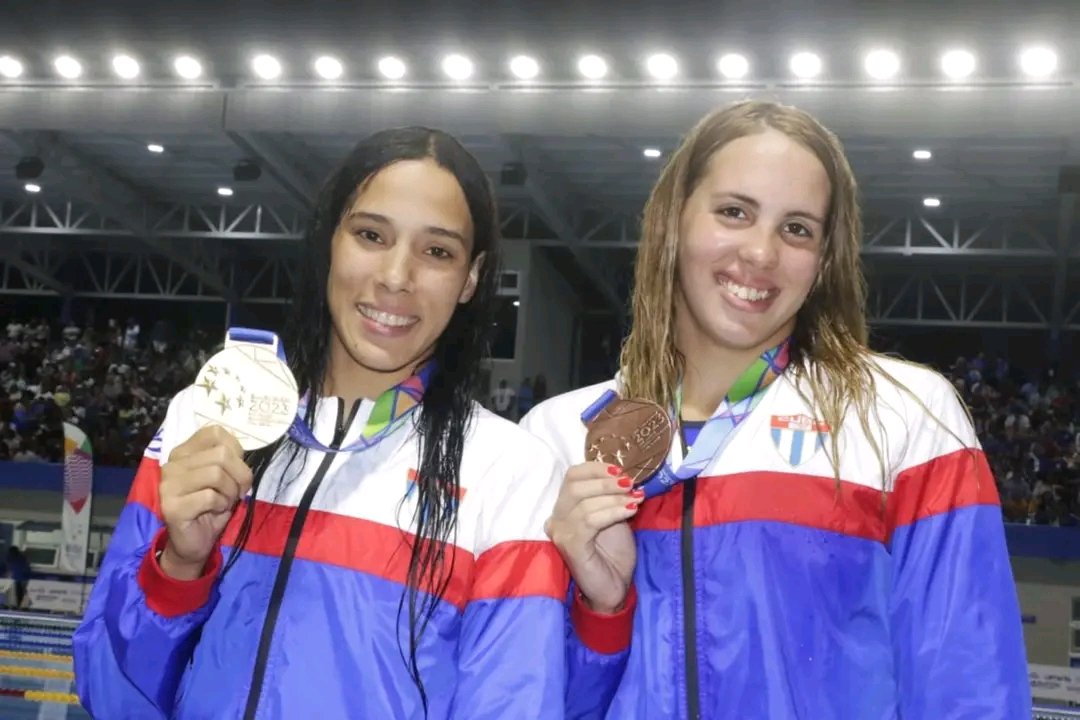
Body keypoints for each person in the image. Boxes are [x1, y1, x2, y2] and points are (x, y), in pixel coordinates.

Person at [73, 127, 622, 719]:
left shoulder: (509, 468)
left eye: (436, 251)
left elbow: (512, 705)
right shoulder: (207, 417)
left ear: (470, 278)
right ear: (329, 240)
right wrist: (180, 567)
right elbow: (109, 696)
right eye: (370, 235)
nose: (395, 276)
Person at [522, 101, 1031, 718]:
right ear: (672, 223)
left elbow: (968, 684)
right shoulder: (556, 436)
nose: (761, 254)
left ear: (822, 263)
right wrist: (603, 611)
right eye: (734, 212)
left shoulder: (903, 418)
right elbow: (532, 699)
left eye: (797, 229)